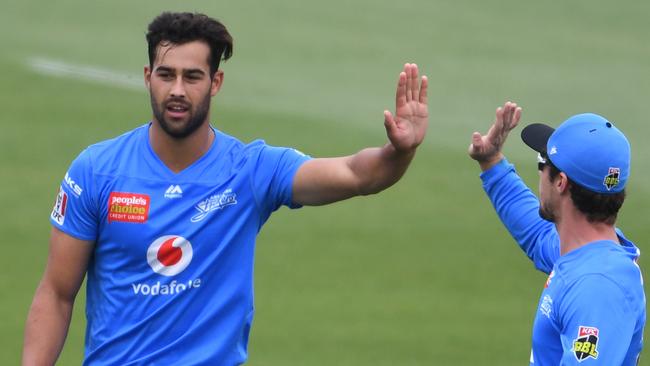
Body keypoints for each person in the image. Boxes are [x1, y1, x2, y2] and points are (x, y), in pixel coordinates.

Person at [22, 11, 428, 366]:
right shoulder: (96, 171)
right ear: (148, 78)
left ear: (215, 82)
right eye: (166, 75)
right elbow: (57, 294)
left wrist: (399, 151)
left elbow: (359, 175)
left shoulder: (251, 170)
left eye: (192, 76)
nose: (177, 90)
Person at [468, 101, 645, 364]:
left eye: (542, 162)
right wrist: (491, 161)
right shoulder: (588, 252)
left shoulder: (597, 286)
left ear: (560, 182)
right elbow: (538, 235)